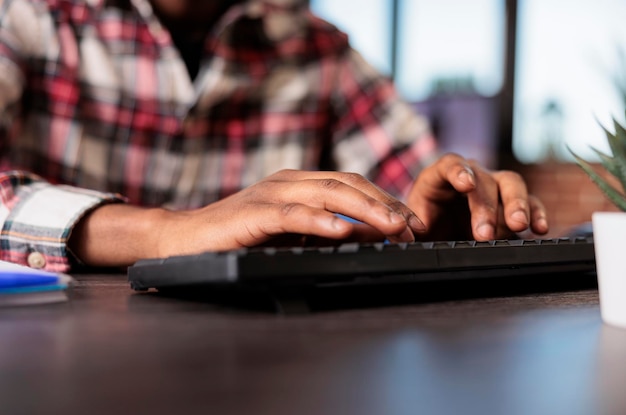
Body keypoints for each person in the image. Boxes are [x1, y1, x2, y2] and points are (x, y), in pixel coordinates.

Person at [0, 0, 548, 272]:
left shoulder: (319, 49)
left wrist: (443, 215)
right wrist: (167, 233)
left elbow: (414, 179)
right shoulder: (27, 17)